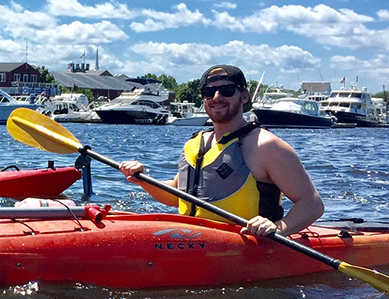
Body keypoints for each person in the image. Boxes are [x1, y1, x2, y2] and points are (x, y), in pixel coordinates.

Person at [118, 64, 324, 237]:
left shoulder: (267, 146)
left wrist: (278, 229)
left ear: (244, 96)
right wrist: (142, 179)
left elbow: (312, 204)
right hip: (194, 240)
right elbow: (176, 194)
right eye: (209, 92)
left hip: (247, 244)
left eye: (226, 90)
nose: (216, 97)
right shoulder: (195, 144)